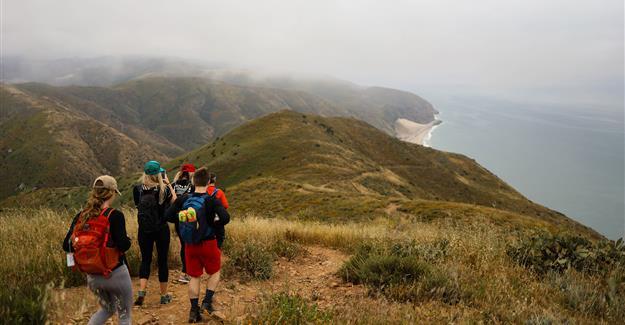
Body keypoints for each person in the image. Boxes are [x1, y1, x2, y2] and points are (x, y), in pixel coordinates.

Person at [62, 176, 132, 325]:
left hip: (93, 277)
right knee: (124, 315)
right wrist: (128, 240)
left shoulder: (81, 216)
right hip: (115, 274)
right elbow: (123, 245)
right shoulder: (115, 215)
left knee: (107, 309)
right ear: (112, 193)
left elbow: (66, 245)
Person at [165, 167, 230, 323]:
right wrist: (213, 224)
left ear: (193, 181)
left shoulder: (183, 199)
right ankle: (206, 302)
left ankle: (194, 312)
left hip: (190, 244)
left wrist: (183, 221)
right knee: (214, 272)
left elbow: (168, 216)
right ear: (208, 182)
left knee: (194, 276)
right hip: (208, 243)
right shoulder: (211, 200)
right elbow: (225, 218)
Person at [133, 160, 177, 306]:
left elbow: (138, 206)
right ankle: (164, 296)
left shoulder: (137, 189)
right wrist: (168, 183)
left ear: (145, 173)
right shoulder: (163, 189)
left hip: (144, 230)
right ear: (159, 173)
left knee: (145, 260)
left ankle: (141, 292)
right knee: (162, 261)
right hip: (161, 229)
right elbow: (175, 202)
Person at [172, 163, 196, 283]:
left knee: (183, 244)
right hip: (189, 217)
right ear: (191, 173)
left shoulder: (173, 185)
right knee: (189, 244)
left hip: (177, 218)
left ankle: (186, 272)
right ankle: (186, 273)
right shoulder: (192, 186)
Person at [206, 172, 229, 249]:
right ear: (214, 180)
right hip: (217, 221)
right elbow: (226, 205)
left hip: (205, 221)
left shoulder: (203, 191)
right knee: (218, 243)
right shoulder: (219, 192)